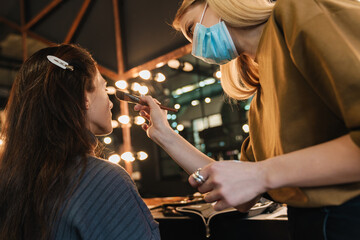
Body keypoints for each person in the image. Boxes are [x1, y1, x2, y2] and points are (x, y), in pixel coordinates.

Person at [134, 0, 360, 239]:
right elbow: (244, 193)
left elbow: (255, 174)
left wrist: (262, 174)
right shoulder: (262, 95)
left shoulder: (298, 10)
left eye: (192, 30)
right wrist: (165, 135)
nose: (194, 48)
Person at [0, 44, 160, 240]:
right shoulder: (104, 180)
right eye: (104, 88)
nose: (111, 103)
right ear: (84, 96)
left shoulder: (12, 181)